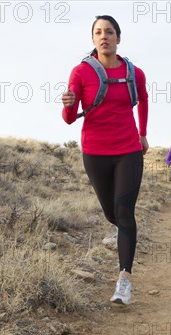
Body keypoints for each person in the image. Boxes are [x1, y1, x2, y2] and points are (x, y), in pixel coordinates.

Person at [62, 15, 148, 305]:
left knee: (124, 211)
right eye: (98, 32)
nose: (104, 36)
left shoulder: (135, 73)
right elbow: (70, 119)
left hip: (128, 150)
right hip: (95, 152)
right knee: (112, 213)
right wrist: (68, 106)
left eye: (109, 32)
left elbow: (143, 100)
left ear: (118, 38)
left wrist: (143, 134)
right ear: (93, 40)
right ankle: (120, 228)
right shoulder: (80, 72)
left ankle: (124, 279)